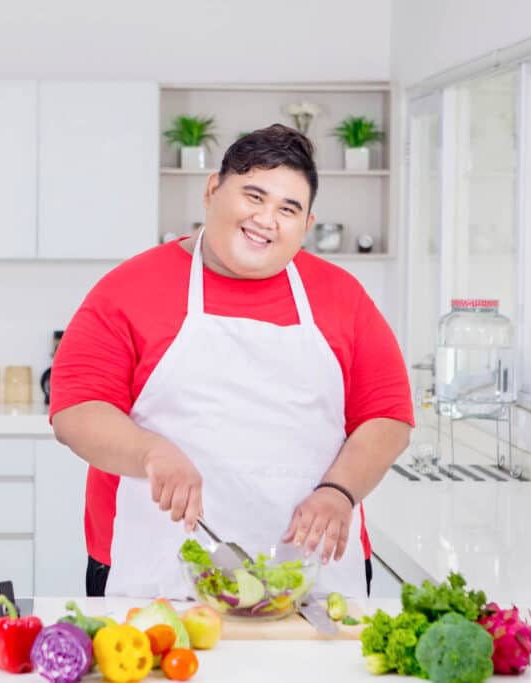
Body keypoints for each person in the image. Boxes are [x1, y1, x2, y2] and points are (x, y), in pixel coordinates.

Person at [49, 124, 413, 599]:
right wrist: (149, 451)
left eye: (288, 209)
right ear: (212, 190)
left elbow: (387, 416)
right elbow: (76, 411)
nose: (266, 219)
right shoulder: (128, 289)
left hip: (313, 574)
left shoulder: (343, 297)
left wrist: (339, 491)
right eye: (254, 196)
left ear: (306, 225)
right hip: (156, 570)